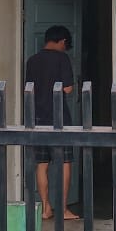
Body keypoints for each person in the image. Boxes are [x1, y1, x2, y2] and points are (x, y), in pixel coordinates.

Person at [25, 25, 77, 220]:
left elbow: (29, 88)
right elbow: (68, 89)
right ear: (63, 41)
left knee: (42, 164)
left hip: (37, 117)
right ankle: (62, 209)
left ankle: (46, 208)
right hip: (59, 117)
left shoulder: (32, 60)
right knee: (64, 162)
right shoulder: (62, 58)